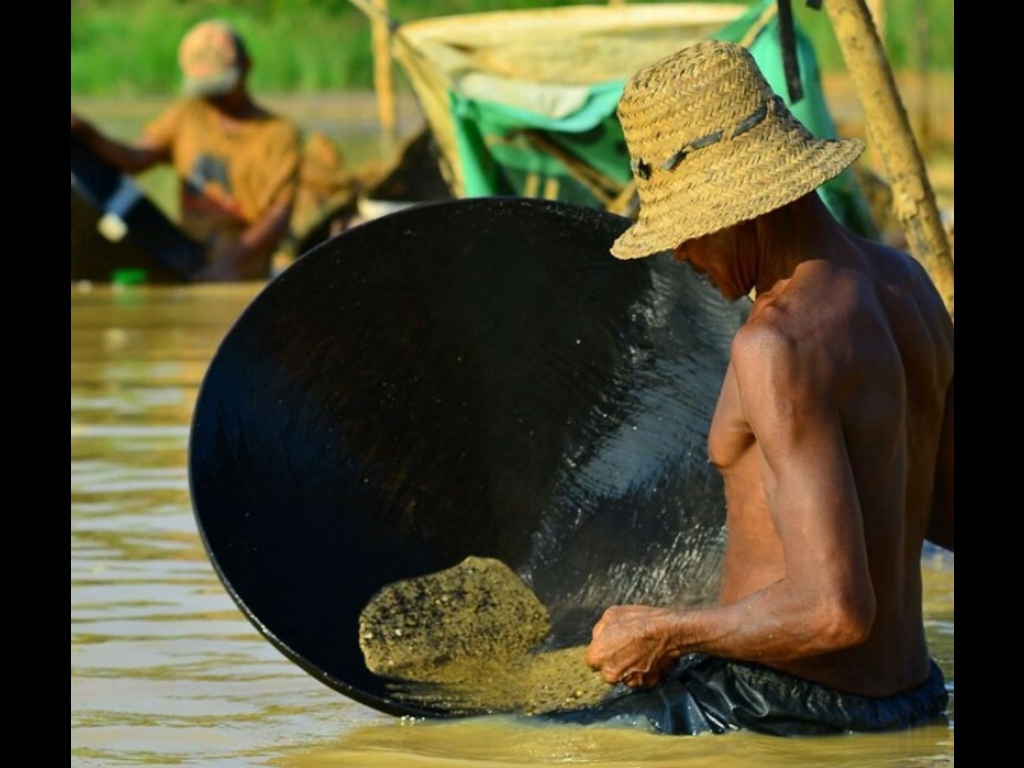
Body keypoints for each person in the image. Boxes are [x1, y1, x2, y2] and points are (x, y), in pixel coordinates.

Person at [579, 40, 954, 736]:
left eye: (686, 226)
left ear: (743, 204)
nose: (676, 251)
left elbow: (834, 612)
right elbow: (946, 517)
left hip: (777, 707)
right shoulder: (909, 285)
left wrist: (668, 631)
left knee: (495, 747)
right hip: (914, 697)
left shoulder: (774, 343)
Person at [71, 19, 302, 281]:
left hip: (245, 262)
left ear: (246, 66)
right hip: (191, 255)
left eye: (221, 88)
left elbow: (279, 214)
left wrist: (228, 262)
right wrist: (84, 131)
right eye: (207, 90)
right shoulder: (188, 115)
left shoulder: (279, 133)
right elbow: (136, 159)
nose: (214, 99)